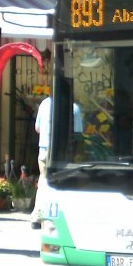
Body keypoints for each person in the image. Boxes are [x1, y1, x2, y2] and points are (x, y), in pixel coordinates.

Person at [32, 96, 83, 227]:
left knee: (44, 181)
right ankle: (53, 216)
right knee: (59, 183)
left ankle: (37, 216)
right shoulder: (74, 108)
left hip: (43, 149)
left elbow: (37, 128)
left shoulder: (44, 103)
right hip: (62, 152)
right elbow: (77, 135)